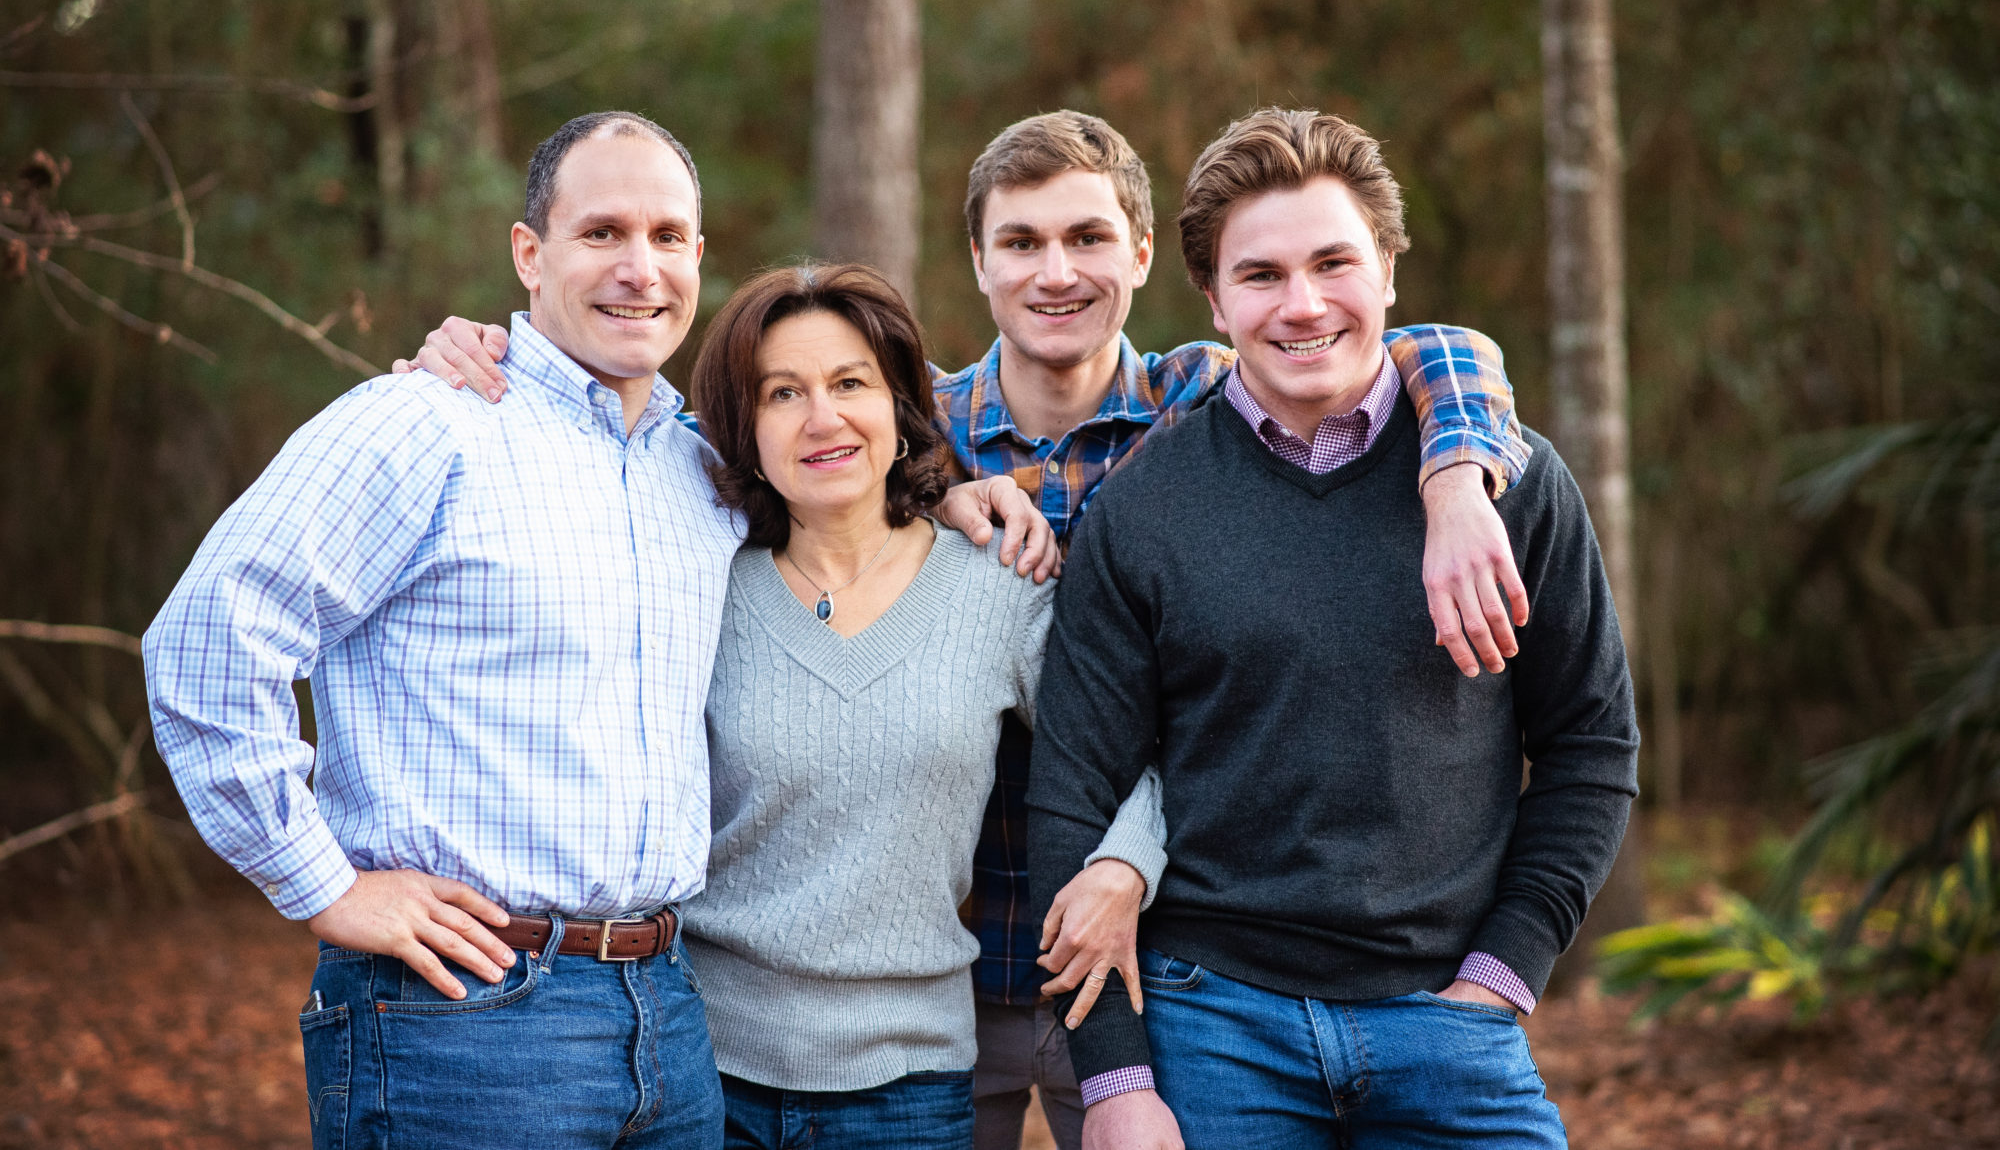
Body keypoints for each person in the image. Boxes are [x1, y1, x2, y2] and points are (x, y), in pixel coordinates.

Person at [402, 108, 1536, 1150]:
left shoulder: (1211, 403)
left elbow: (1427, 347)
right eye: (1022, 242)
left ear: (1141, 257)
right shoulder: (902, 428)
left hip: (1151, 960)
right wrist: (504, 350)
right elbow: (728, 424)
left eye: (1088, 238)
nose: (1057, 272)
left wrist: (1452, 480)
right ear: (980, 265)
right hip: (953, 975)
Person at [143, 111, 1056, 1150]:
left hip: (669, 1024)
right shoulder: (426, 424)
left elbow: (832, 483)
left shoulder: (695, 472)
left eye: (667, 237)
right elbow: (208, 641)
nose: (640, 267)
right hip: (467, 1015)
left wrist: (947, 497)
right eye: (602, 233)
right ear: (529, 255)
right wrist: (321, 883)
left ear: (698, 261)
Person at [1026, 107, 1642, 1150]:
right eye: (1260, 275)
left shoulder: (1511, 486)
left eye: (1332, 263)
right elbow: (1069, 800)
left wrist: (1500, 977)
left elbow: (1590, 746)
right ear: (1214, 302)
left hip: (1449, 1025)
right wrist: (1117, 1082)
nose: (1301, 305)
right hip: (1211, 1021)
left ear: (1389, 271)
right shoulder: (1141, 510)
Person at [680, 262, 1166, 1150]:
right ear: (745, 427)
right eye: (782, 392)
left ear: (900, 406)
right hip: (708, 1074)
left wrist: (1125, 867)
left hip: (911, 1086)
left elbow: (1132, 752)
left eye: (849, 383)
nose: (822, 417)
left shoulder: (996, 588)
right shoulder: (701, 585)